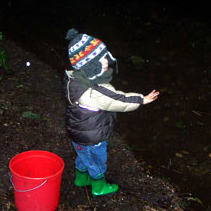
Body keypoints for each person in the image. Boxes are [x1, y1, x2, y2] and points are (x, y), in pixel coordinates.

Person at [63, 28, 159, 197]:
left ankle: (80, 179)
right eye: (102, 60)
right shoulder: (96, 91)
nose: (107, 61)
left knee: (83, 156)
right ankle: (98, 187)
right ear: (90, 65)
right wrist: (141, 99)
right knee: (97, 161)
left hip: (77, 132)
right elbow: (118, 100)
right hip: (92, 137)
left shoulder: (74, 79)